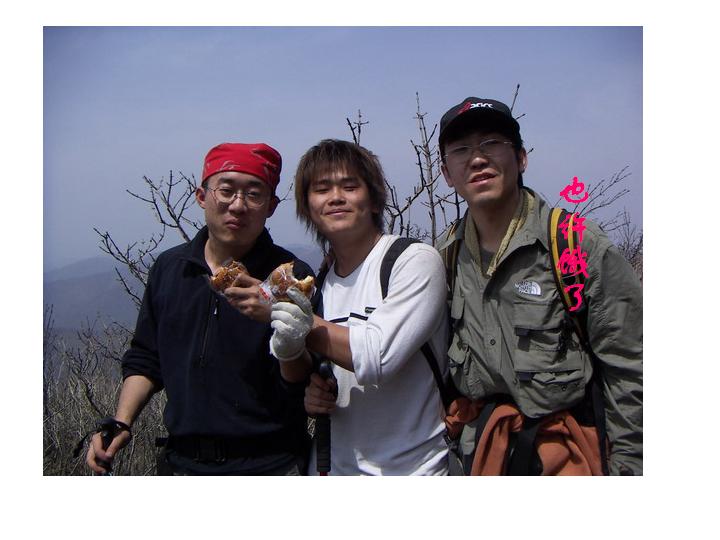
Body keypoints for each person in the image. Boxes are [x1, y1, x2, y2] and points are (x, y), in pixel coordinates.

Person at [436, 97, 643, 475]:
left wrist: (629, 470)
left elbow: (631, 366)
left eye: (491, 143)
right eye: (461, 150)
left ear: (521, 158)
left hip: (568, 456)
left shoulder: (575, 245)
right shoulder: (444, 257)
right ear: (447, 173)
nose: (477, 159)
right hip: (480, 455)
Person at [85, 142, 314, 475]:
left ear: (271, 206)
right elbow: (147, 356)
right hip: (181, 462)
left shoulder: (290, 276)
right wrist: (122, 421)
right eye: (226, 191)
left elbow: (304, 379)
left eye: (254, 194)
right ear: (202, 196)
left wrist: (286, 331)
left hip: (272, 463)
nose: (238, 205)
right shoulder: (171, 268)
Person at [270, 139, 450, 475]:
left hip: (412, 470)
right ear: (307, 207)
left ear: (375, 199)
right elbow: (320, 369)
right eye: (322, 189)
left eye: (350, 186)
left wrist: (300, 322)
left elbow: (377, 356)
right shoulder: (318, 282)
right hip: (332, 468)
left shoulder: (412, 261)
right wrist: (313, 392)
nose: (336, 197)